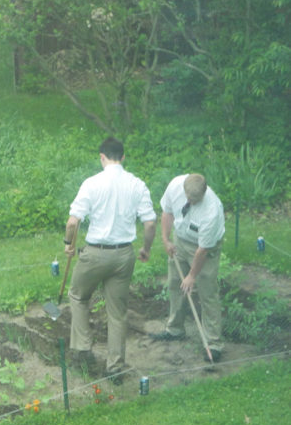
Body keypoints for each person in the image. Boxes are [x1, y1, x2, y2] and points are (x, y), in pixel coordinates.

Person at [63, 137, 156, 382]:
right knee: (117, 313)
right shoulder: (137, 185)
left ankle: (83, 349)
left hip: (95, 253)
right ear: (123, 157)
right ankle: (115, 367)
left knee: (78, 295)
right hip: (124, 255)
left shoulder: (92, 183)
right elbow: (150, 223)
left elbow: (73, 221)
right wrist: (146, 248)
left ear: (102, 157)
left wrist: (68, 244)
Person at [152, 174, 225, 361]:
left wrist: (192, 275)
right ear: (184, 190)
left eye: (196, 200)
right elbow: (167, 212)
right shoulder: (175, 185)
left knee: (207, 292)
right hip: (181, 239)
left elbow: (202, 251)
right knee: (176, 283)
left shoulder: (211, 212)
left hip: (204, 249)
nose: (191, 202)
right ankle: (175, 329)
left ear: (204, 192)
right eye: (189, 198)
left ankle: (213, 343)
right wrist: (166, 239)